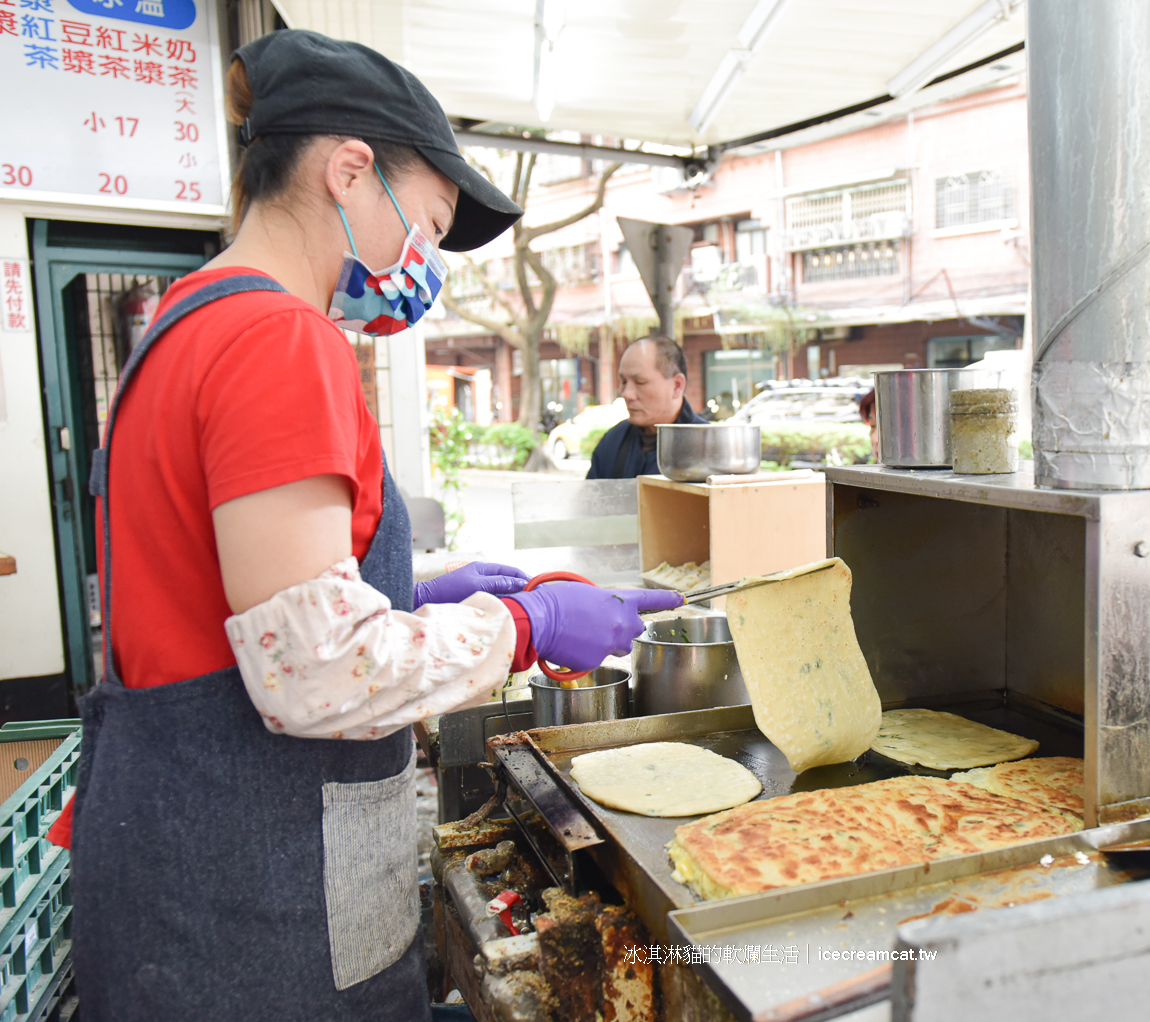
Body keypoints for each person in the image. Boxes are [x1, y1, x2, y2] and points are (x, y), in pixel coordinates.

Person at [54, 30, 681, 1022]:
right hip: (254, 913)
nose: (416, 260)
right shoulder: (274, 338)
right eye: (423, 224)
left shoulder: (187, 320)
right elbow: (315, 671)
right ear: (349, 170)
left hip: (189, 884)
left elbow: (232, 593)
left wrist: (420, 592)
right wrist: (527, 626)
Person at [587, 335, 707, 479]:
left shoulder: (707, 449)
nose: (626, 394)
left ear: (677, 385)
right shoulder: (612, 442)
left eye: (640, 382)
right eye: (624, 381)